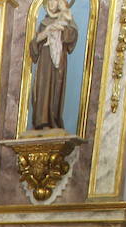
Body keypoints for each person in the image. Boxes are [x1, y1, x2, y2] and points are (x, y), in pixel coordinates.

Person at [29, 0, 78, 131]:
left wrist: (61, 29)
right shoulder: (43, 23)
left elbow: (72, 36)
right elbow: (33, 45)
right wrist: (45, 33)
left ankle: (53, 119)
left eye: (55, 0)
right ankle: (42, 121)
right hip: (44, 61)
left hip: (58, 61)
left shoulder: (67, 19)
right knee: (43, 88)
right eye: (49, 0)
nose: (52, 3)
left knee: (56, 88)